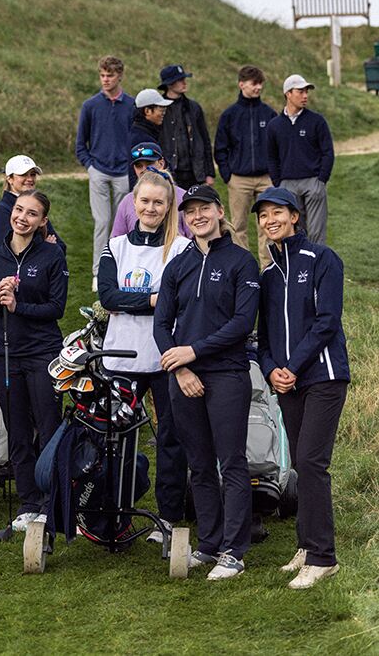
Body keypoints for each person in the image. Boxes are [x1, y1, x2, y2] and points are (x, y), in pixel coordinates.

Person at [154, 184, 260, 580]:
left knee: (231, 462)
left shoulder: (241, 262)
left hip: (228, 374)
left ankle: (234, 551)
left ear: (219, 212)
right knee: (198, 465)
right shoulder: (178, 265)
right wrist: (180, 369)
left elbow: (241, 324)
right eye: (190, 211)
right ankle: (210, 544)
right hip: (183, 378)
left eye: (204, 209)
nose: (197, 216)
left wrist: (193, 353)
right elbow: (162, 324)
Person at [253, 186, 349, 589]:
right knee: (298, 466)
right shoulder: (268, 276)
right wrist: (273, 369)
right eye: (263, 215)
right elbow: (264, 338)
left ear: (294, 216)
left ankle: (324, 557)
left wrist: (291, 366)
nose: (269, 220)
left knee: (311, 463)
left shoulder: (323, 258)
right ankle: (306, 548)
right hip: (287, 383)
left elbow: (327, 321)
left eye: (277, 212)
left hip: (324, 376)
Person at [99, 170, 191, 541]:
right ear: (133, 203)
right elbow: (108, 297)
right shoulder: (116, 245)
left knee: (172, 438)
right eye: (145, 201)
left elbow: (179, 302)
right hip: (121, 358)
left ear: (169, 206)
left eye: (158, 202)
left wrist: (136, 302)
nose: (150, 208)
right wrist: (154, 300)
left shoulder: (182, 248)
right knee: (114, 439)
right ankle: (114, 514)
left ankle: (168, 517)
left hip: (165, 358)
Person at [0, 189, 69, 531]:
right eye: (19, 210)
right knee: (16, 431)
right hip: (5, 354)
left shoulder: (52, 255)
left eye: (32, 213)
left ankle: (50, 501)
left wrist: (19, 306)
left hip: (43, 352)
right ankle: (28, 502)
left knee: (47, 428)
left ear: (42, 221)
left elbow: (56, 309)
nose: (22, 217)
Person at [75, 55, 134, 290]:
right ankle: (98, 273)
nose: (105, 79)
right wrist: (89, 166)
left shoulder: (131, 105)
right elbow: (81, 142)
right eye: (102, 75)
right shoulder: (90, 105)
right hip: (98, 169)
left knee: (122, 222)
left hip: (123, 171)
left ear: (119, 75)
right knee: (102, 221)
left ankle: (120, 266)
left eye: (109, 75)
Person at [214, 65, 277, 266]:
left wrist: (275, 173)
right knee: (238, 226)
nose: (258, 87)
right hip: (239, 179)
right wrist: (227, 175)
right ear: (242, 84)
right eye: (254, 84)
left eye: (260, 84)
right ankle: (243, 268)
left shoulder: (269, 114)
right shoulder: (229, 115)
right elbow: (221, 148)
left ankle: (268, 267)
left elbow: (277, 147)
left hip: (266, 178)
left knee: (268, 225)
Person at [266, 74, 335, 244]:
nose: (305, 96)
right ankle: (298, 268)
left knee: (317, 233)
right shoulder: (274, 125)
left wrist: (321, 180)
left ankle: (318, 268)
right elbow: (271, 157)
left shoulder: (317, 121)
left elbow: (328, 152)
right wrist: (278, 183)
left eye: (306, 92)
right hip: (287, 184)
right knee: (295, 232)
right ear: (288, 94)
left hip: (313, 182)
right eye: (300, 91)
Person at [111, 142, 190, 239]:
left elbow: (196, 240)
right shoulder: (127, 201)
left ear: (161, 163)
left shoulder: (184, 198)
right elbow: (115, 240)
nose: (144, 169)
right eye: (139, 166)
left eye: (149, 164)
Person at [0, 154, 66, 253]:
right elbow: (15, 250)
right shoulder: (0, 211)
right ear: (9, 179)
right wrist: (46, 247)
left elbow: (61, 247)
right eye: (23, 174)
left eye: (33, 174)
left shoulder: (36, 205)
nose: (30, 179)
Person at [158, 63, 215, 190]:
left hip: (194, 173)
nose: (184, 82)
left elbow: (205, 140)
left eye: (184, 79)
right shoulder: (159, 109)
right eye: (180, 80)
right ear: (170, 84)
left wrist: (210, 173)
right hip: (169, 172)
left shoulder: (194, 107)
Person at [127, 88, 172, 190]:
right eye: (161, 109)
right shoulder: (141, 138)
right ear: (147, 111)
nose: (163, 113)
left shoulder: (146, 132)